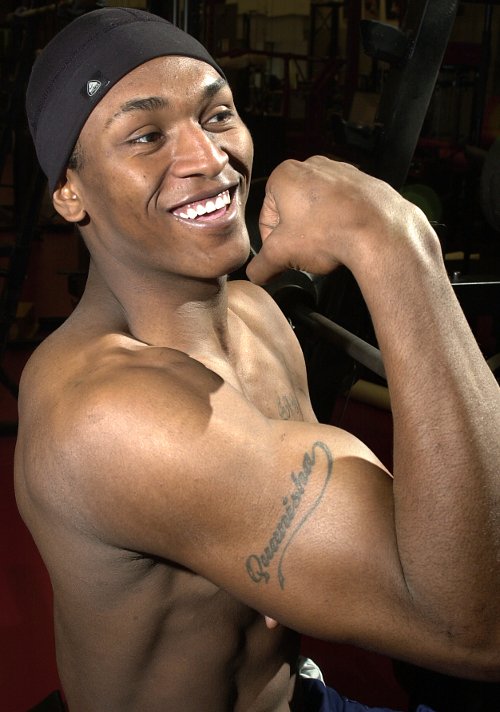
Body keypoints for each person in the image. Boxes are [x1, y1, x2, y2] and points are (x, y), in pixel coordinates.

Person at [17, 7, 499, 712]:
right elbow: (478, 628)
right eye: (147, 137)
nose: (209, 159)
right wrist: (395, 243)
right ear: (70, 191)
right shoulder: (106, 416)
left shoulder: (256, 314)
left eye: (216, 116)